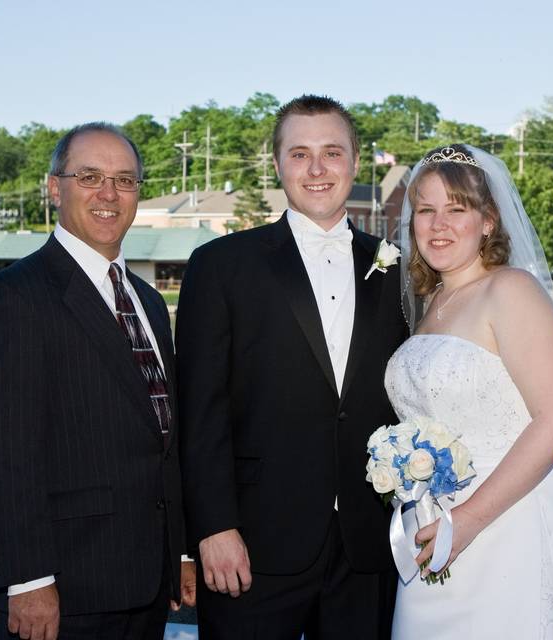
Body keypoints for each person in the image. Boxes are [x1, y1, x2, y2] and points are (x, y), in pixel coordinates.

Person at [386, 144, 553, 638]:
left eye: (456, 209)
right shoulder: (433, 303)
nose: (438, 224)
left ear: (487, 221)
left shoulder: (511, 290)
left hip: (510, 521)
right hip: (433, 525)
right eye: (426, 210)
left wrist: (465, 519)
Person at [176, 95, 408, 639]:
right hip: (252, 547)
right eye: (299, 154)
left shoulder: (400, 271)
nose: (317, 169)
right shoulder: (221, 265)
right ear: (277, 164)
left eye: (332, 152)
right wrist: (211, 529)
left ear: (355, 161)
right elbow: (199, 411)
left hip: (369, 547)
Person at [0, 123, 187, 640]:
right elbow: (5, 454)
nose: (109, 194)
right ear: (54, 187)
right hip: (66, 591)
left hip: (148, 585)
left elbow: (162, 439)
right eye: (90, 176)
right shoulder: (12, 297)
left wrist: (177, 549)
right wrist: (28, 580)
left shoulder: (148, 302)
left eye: (125, 181)